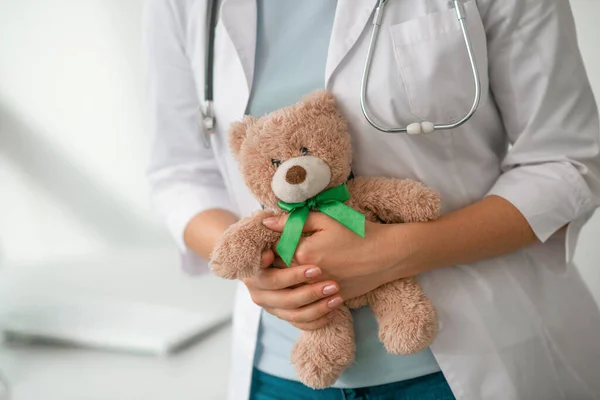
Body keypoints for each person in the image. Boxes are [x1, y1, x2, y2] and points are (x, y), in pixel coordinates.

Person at [143, 0, 600, 399]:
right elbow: (181, 173)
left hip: (463, 358)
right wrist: (261, 272)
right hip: (280, 375)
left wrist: (394, 252)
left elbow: (566, 161)